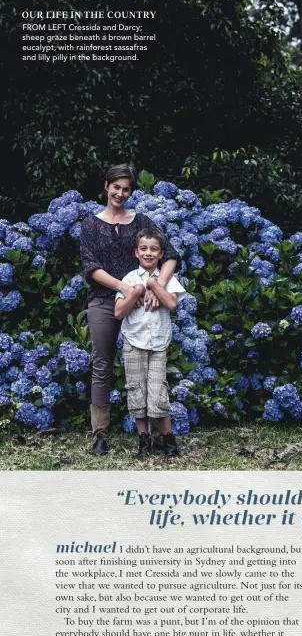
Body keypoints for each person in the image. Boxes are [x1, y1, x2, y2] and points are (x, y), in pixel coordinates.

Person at [80, 163, 178, 455]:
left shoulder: (142, 221)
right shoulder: (90, 225)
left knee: (150, 369)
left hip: (144, 302)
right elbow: (91, 268)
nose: (120, 194)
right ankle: (99, 434)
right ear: (106, 186)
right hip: (105, 300)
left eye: (126, 189)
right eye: (116, 187)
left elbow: (170, 255)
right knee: (102, 364)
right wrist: (126, 289)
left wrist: (154, 285)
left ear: (131, 191)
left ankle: (161, 438)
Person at [114, 227, 187, 459]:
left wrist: (155, 285)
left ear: (161, 254)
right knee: (137, 391)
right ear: (136, 252)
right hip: (133, 341)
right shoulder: (129, 279)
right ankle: (143, 440)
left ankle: (167, 439)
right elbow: (118, 312)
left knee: (158, 392)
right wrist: (135, 293)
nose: (148, 253)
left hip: (157, 344)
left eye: (153, 249)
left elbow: (172, 304)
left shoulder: (169, 279)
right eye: (143, 249)